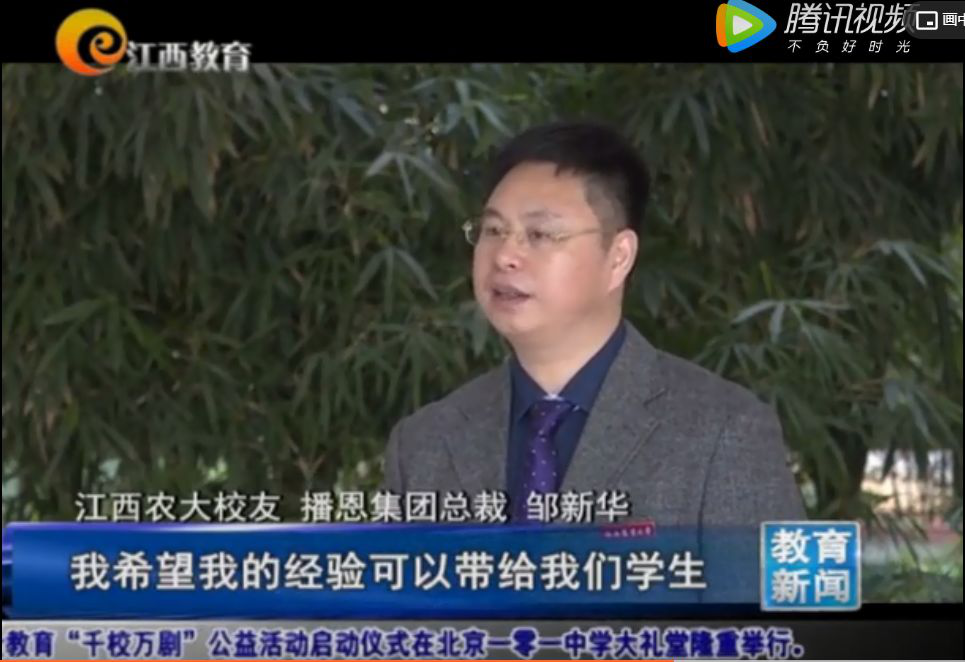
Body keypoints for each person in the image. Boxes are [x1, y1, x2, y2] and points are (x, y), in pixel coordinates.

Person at [381, 120, 806, 527]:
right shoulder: (423, 444)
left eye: (540, 234)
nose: (505, 255)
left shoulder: (725, 431)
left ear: (618, 257)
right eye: (493, 230)